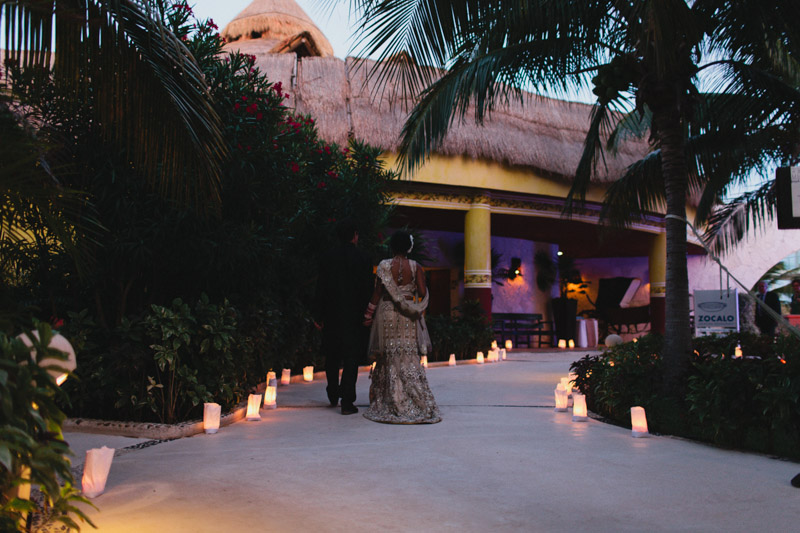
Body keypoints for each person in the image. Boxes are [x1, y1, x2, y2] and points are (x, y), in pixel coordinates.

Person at [361, 231, 441, 424]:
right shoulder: (416, 267)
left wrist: (368, 314)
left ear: (393, 246)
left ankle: (390, 399)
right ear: (409, 247)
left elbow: (378, 292)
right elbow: (422, 293)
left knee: (389, 355)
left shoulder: (384, 265)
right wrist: (410, 296)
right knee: (407, 354)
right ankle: (416, 398)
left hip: (387, 312)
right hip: (407, 315)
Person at [313, 219, 374, 415]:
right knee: (351, 358)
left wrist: (318, 314)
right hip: (355, 315)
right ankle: (347, 401)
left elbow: (320, 287)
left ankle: (332, 392)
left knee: (332, 355)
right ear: (355, 235)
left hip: (332, 313)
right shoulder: (364, 258)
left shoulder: (327, 257)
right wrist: (367, 313)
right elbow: (367, 288)